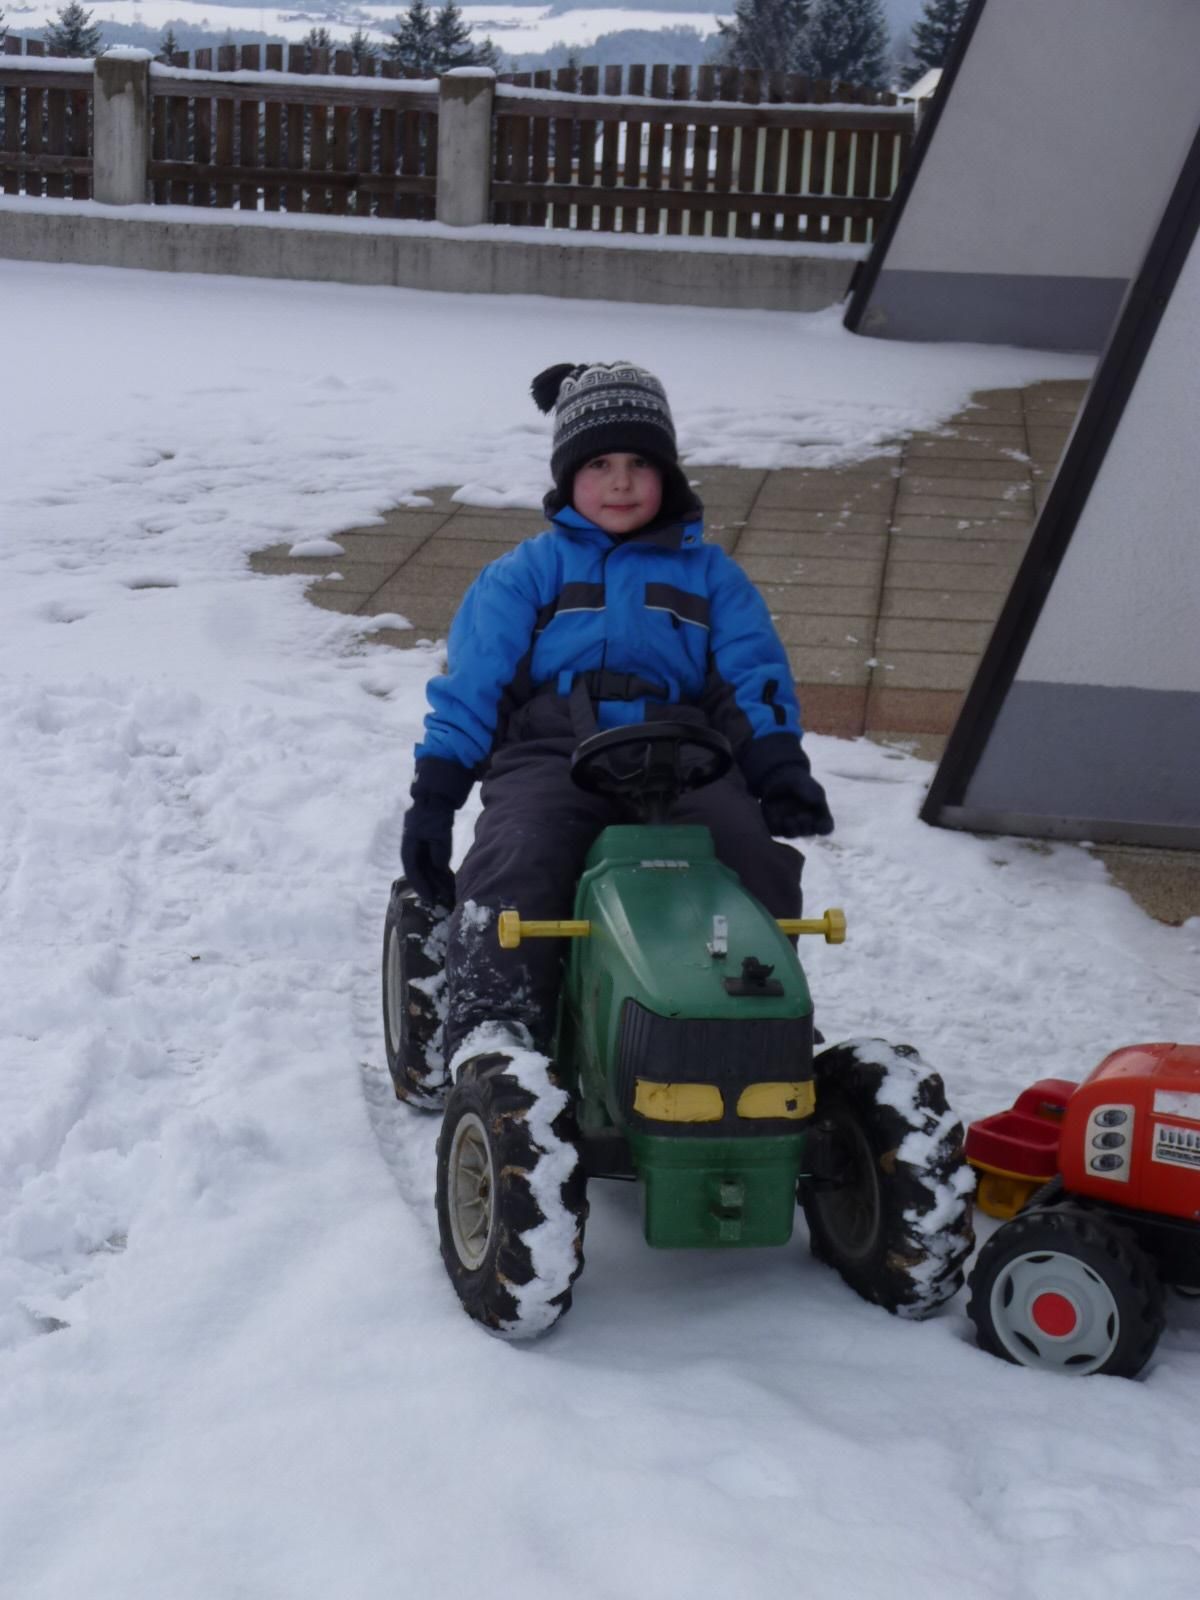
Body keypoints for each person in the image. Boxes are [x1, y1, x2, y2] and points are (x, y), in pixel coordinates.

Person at [401, 360, 833, 1084]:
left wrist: (780, 770)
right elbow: (472, 686)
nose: (622, 482)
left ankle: (758, 1019)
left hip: (687, 753)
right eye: (600, 463)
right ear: (569, 475)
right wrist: (435, 797)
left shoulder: (712, 578)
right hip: (553, 750)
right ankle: (494, 1021)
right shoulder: (526, 575)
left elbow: (749, 679)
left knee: (749, 858)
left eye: (640, 463)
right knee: (523, 851)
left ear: (669, 473)